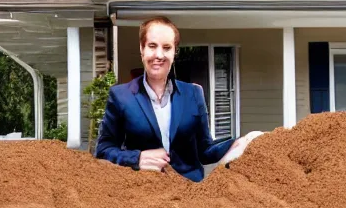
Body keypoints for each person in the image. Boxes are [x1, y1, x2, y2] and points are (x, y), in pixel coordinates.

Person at [95, 17, 259, 182]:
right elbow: (103, 150)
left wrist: (239, 142)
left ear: (174, 53)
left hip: (190, 194)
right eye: (152, 46)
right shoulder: (121, 96)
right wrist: (136, 158)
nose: (159, 55)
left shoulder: (193, 93)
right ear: (142, 49)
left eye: (167, 48)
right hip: (142, 193)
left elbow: (205, 151)